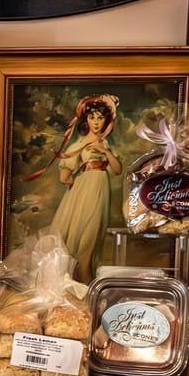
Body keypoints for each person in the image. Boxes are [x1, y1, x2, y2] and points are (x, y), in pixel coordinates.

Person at [25, 94, 121, 281]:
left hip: (100, 193)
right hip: (86, 194)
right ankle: (84, 289)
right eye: (91, 117)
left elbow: (117, 169)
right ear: (85, 119)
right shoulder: (81, 144)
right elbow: (64, 176)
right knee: (83, 246)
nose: (95, 122)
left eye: (100, 118)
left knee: (92, 243)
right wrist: (77, 188)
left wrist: (105, 152)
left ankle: (85, 286)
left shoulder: (105, 143)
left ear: (106, 120)